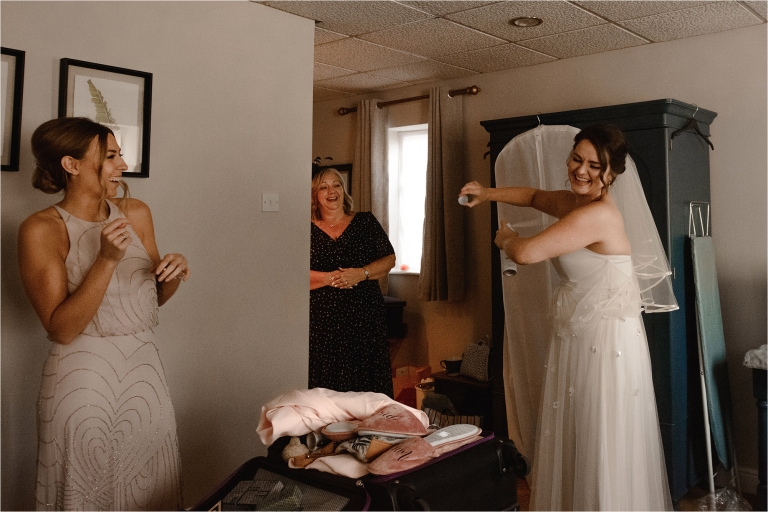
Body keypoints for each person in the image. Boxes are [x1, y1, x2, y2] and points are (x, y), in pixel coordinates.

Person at [460, 124, 674, 510]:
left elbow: (525, 253)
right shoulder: (574, 203)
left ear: (612, 174)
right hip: (580, 332)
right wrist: (487, 193)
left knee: (598, 433)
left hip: (606, 343)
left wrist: (505, 237)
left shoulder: (599, 215)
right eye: (577, 158)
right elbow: (534, 195)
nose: (581, 170)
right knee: (578, 429)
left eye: (595, 165)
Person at [19, 117, 188, 510]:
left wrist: (175, 272)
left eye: (119, 155)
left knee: (152, 490)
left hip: (146, 378)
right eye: (111, 156)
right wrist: (106, 259)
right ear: (71, 165)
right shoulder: (40, 228)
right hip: (83, 384)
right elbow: (61, 329)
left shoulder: (136, 212)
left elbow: (149, 302)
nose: (122, 166)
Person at [310, 168, 396, 397]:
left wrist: (362, 273)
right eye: (324, 187)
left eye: (336, 185)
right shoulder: (303, 228)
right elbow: (290, 273)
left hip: (365, 317)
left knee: (367, 383)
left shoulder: (365, 221)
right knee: (325, 385)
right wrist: (330, 279)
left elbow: (389, 259)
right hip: (321, 321)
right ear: (314, 194)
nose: (332, 191)